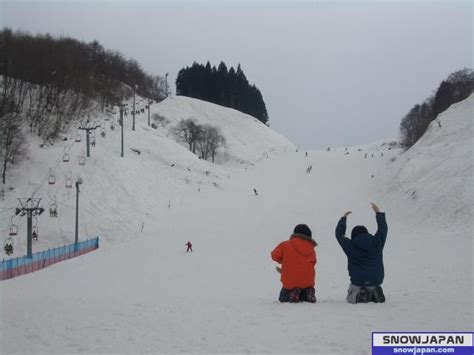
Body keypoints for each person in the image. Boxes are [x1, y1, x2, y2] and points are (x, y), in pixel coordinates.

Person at [335, 203, 387, 304]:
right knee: (373, 284)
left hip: (358, 281)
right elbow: (383, 229)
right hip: (375, 279)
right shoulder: (377, 243)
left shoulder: (350, 245)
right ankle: (374, 291)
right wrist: (378, 213)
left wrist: (343, 219)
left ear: (353, 236)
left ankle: (360, 293)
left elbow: (339, 234)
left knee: (353, 293)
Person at [271, 224, 318, 303]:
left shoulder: (285, 245)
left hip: (291, 282)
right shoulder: (311, 249)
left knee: (282, 297)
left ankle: (291, 295)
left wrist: (284, 261)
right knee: (304, 291)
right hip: (308, 281)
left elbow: (274, 255)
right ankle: (308, 293)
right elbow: (314, 262)